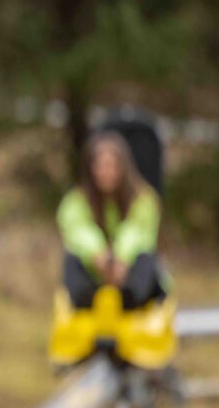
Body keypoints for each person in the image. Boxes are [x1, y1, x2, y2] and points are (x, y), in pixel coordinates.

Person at [57, 131, 165, 311]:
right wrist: (99, 255)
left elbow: (138, 231)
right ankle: (90, 302)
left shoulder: (144, 198)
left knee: (146, 258)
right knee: (71, 259)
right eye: (101, 166)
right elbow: (76, 229)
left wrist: (121, 259)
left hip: (130, 275)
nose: (106, 173)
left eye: (112, 166)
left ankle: (129, 300)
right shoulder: (76, 201)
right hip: (95, 275)